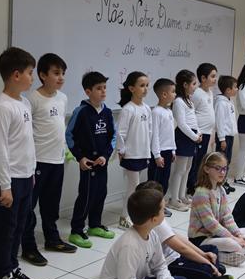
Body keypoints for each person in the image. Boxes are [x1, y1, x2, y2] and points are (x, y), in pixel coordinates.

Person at [96, 188, 207, 279]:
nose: (165, 210)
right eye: (162, 209)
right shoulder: (129, 245)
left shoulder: (152, 234)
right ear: (153, 219)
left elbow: (160, 266)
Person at [0, 47, 38, 279]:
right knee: (5, 227)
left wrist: (31, 171)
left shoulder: (24, 102)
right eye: (30, 73)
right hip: (5, 177)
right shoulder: (2, 107)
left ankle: (12, 266)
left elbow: (26, 142)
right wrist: (4, 186)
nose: (32, 77)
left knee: (19, 225)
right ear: (16, 75)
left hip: (24, 175)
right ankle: (1, 275)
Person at [20, 54, 76, 267]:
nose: (61, 77)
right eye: (56, 73)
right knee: (29, 207)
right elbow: (26, 133)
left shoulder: (63, 98)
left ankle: (52, 239)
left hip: (57, 160)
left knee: (51, 205)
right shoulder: (32, 99)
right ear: (43, 75)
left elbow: (60, 127)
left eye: (63, 73)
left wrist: (65, 151)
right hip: (38, 162)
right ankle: (28, 246)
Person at [136, 181, 234, 279]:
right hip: (170, 264)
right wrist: (208, 264)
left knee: (212, 249)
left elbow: (179, 238)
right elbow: (182, 249)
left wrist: (203, 255)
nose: (165, 205)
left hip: (177, 257)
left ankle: (210, 275)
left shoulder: (158, 219)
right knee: (207, 269)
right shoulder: (155, 224)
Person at [189, 152, 245, 266]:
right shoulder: (201, 193)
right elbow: (210, 224)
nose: (222, 172)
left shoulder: (221, 190)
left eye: (224, 168)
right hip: (201, 239)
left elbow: (227, 216)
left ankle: (227, 253)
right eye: (218, 168)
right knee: (231, 243)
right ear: (206, 169)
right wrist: (233, 238)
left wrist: (238, 235)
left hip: (216, 235)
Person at [66, 71, 116, 249]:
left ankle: (95, 225)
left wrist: (105, 156)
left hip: (102, 163)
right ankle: (76, 230)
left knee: (101, 193)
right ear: (88, 91)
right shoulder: (81, 112)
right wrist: (80, 157)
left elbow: (113, 136)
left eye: (105, 88)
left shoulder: (108, 112)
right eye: (99, 88)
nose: (103, 91)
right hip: (87, 164)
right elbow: (69, 135)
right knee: (86, 196)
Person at [117, 71, 152, 229]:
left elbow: (149, 131)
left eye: (147, 85)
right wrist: (121, 150)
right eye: (142, 85)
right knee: (133, 187)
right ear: (132, 88)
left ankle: (137, 215)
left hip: (143, 153)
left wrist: (149, 150)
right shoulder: (128, 109)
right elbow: (121, 133)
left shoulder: (146, 108)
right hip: (131, 154)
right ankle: (124, 217)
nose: (145, 89)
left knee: (140, 188)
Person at [168, 69, 201, 211]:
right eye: (193, 84)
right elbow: (181, 124)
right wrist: (194, 136)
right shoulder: (178, 101)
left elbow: (193, 120)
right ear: (185, 85)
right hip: (183, 137)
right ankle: (173, 199)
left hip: (192, 137)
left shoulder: (189, 101)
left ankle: (182, 196)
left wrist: (198, 132)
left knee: (187, 169)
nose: (195, 86)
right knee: (180, 170)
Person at [148, 78, 177, 217]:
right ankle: (152, 208)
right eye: (173, 91)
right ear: (164, 94)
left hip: (167, 151)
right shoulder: (156, 112)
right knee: (155, 182)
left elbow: (170, 133)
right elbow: (154, 135)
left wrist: (173, 149)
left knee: (164, 181)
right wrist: (157, 155)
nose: (175, 94)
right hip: (158, 154)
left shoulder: (169, 111)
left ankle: (160, 206)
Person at [187, 63, 217, 195]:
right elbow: (191, 113)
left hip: (207, 132)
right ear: (203, 78)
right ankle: (191, 186)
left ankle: (197, 183)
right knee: (195, 161)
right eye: (212, 76)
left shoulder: (210, 92)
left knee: (201, 161)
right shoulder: (197, 93)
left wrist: (212, 132)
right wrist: (197, 131)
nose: (215, 79)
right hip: (199, 133)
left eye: (215, 76)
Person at [215, 75, 238, 194]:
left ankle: (224, 181)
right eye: (235, 87)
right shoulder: (221, 103)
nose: (237, 89)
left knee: (227, 160)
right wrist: (222, 139)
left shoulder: (229, 101)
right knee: (221, 161)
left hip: (230, 136)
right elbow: (220, 122)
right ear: (228, 90)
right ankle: (218, 183)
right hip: (223, 137)